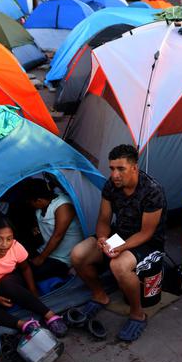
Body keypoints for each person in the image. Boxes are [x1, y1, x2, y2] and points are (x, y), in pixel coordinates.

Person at [69, 144, 166, 342]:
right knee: (78, 254)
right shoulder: (111, 185)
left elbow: (147, 233)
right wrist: (104, 239)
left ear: (134, 168)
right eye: (112, 168)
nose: (115, 175)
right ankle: (99, 295)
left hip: (148, 243)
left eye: (120, 169)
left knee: (119, 266)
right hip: (118, 236)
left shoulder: (153, 191)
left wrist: (120, 248)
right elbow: (104, 220)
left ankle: (138, 314)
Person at [0, 212, 67, 337]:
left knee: (6, 282)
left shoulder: (16, 247)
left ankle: (50, 315)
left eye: (9, 239)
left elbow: (26, 269)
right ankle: (22, 324)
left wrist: (33, 290)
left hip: (8, 284)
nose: (5, 244)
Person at [24, 178, 85, 282]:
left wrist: (41, 258)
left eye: (31, 202)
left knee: (32, 275)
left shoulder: (63, 205)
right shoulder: (41, 207)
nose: (30, 205)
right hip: (47, 251)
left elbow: (58, 235)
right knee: (22, 266)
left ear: (39, 200)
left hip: (64, 257)